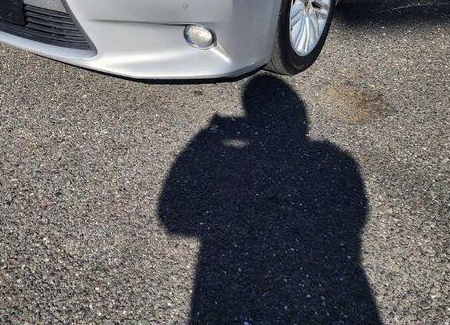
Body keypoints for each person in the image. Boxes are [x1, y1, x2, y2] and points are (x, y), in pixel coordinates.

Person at [158, 74, 382, 324]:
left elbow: (175, 218)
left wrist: (208, 137)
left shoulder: (331, 159)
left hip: (228, 290)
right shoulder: (334, 159)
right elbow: (353, 215)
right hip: (339, 289)